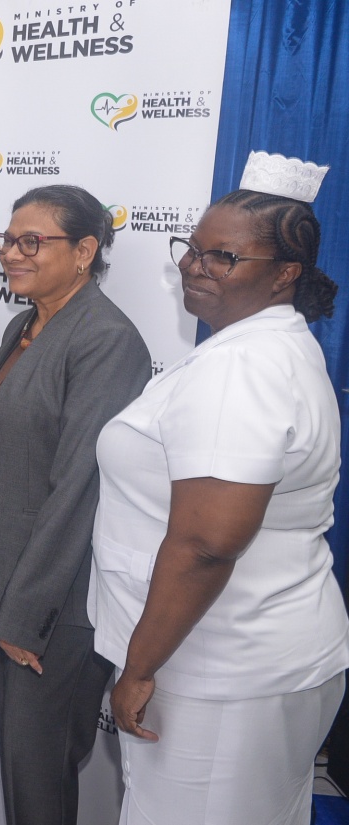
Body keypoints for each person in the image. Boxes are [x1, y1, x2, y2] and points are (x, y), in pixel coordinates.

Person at [91, 154, 349, 825]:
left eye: (223, 257)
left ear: (286, 273)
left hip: (216, 671)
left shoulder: (239, 367)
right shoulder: (270, 345)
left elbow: (208, 541)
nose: (193, 266)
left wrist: (140, 667)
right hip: (259, 657)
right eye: (192, 248)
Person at [0, 184, 150, 825]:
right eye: (8, 240)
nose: (12, 252)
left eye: (31, 241)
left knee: (39, 781)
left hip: (57, 607)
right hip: (13, 585)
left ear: (85, 250)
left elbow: (79, 489)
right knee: (26, 772)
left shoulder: (107, 340)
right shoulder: (28, 323)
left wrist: (25, 614)